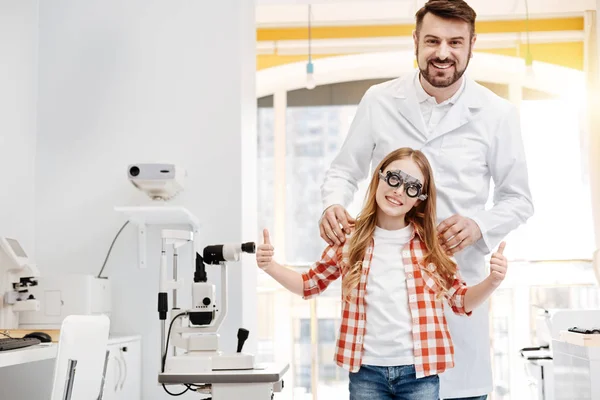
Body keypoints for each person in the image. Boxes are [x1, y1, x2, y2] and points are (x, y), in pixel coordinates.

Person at [318, 1, 534, 399]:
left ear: (472, 45)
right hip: (384, 337)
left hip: (456, 296)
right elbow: (343, 171)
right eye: (432, 40)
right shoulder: (379, 100)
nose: (443, 52)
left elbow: (519, 198)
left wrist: (478, 225)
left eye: (455, 42)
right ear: (416, 41)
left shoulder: (497, 113)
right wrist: (333, 203)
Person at [257, 148, 508, 400]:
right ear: (379, 177)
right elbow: (308, 284)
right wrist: (270, 266)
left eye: (411, 187)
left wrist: (492, 281)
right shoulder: (349, 240)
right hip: (367, 374)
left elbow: (461, 300)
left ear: (419, 198)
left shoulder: (431, 245)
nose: (399, 190)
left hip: (419, 375)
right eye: (394, 178)